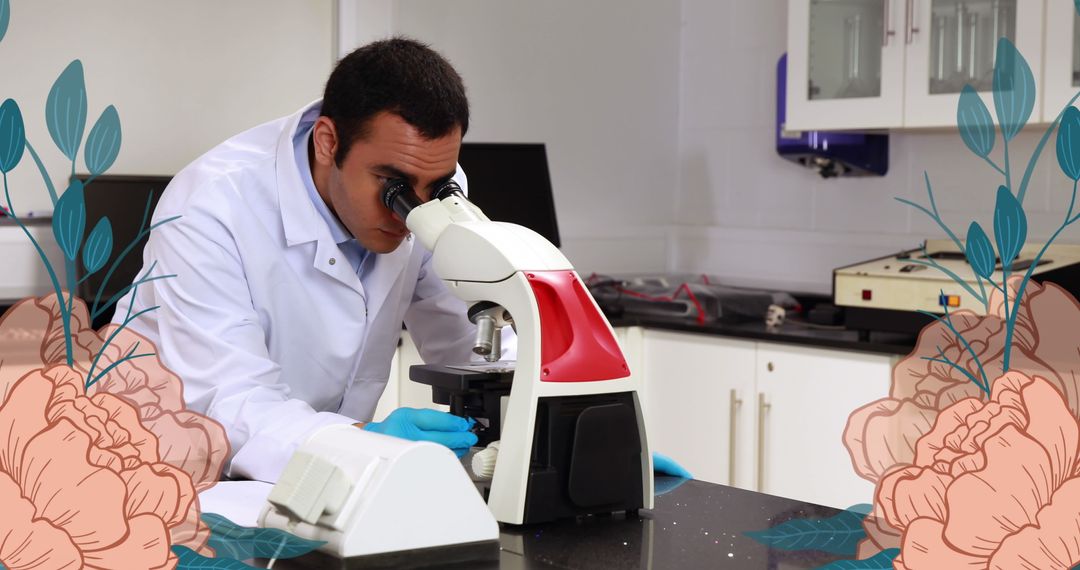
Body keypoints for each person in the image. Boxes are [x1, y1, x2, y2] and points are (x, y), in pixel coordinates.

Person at [116, 37, 691, 484]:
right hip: (167, 462)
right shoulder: (212, 206)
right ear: (327, 142)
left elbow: (474, 338)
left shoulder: (428, 184)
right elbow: (231, 405)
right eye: (392, 184)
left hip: (318, 463)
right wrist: (367, 439)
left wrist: (570, 433)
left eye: (436, 183)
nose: (412, 209)